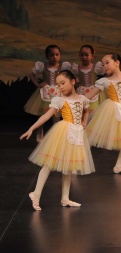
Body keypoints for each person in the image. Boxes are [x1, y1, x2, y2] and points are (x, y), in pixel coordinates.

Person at [20, 70, 94, 210]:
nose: (60, 87)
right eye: (58, 84)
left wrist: (84, 122)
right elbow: (46, 116)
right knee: (49, 163)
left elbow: (86, 111)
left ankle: (65, 198)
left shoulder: (82, 99)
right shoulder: (60, 100)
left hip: (77, 133)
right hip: (63, 132)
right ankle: (36, 193)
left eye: (63, 83)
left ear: (73, 81)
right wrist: (31, 128)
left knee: (69, 167)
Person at [23, 45, 72, 142]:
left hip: (58, 93)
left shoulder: (62, 67)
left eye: (57, 55)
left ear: (60, 55)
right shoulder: (43, 66)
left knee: (56, 116)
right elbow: (31, 74)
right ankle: (40, 132)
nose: (55, 57)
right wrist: (37, 84)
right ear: (47, 56)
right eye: (52, 55)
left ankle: (56, 134)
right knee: (43, 113)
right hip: (46, 93)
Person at [73, 44, 104, 114]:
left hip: (93, 92)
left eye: (86, 55)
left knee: (93, 112)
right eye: (82, 55)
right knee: (82, 111)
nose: (84, 57)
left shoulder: (96, 67)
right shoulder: (76, 68)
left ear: (92, 56)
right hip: (81, 92)